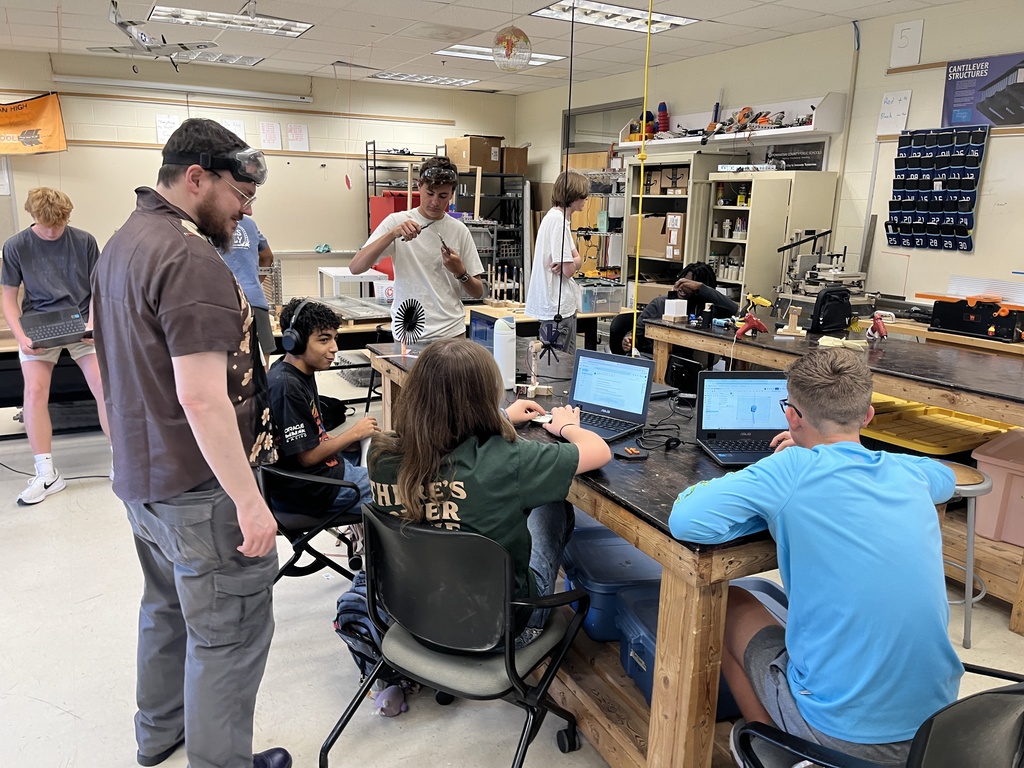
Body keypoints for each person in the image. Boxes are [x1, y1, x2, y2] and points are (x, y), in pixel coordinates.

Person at [91, 118, 291, 768]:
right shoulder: (190, 260)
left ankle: (159, 736)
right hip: (203, 494)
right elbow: (202, 396)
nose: (248, 209)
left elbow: (108, 359)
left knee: (166, 610)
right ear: (197, 178)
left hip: (145, 483)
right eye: (240, 194)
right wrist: (250, 502)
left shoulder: (122, 244)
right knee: (227, 637)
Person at [668, 347, 961, 766]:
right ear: (867, 417)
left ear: (792, 417)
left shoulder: (788, 470)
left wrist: (779, 477)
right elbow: (946, 479)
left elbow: (687, 520)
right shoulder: (908, 472)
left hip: (844, 736)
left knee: (727, 601)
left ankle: (775, 748)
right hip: (937, 726)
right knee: (775, 597)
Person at [367, 338, 611, 647]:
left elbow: (439, 433)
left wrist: (505, 416)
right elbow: (598, 450)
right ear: (484, 398)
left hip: (412, 616)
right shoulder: (507, 461)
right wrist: (565, 426)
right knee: (551, 502)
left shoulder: (380, 455)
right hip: (503, 631)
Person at [1, 187, 110, 505]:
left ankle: (123, 460)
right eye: (47, 226)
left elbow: (98, 288)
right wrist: (21, 335)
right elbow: (8, 297)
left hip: (82, 322)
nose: (53, 232)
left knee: (103, 384)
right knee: (33, 392)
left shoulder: (85, 241)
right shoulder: (16, 246)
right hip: (39, 325)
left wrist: (93, 323)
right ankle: (46, 473)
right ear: (33, 218)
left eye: (59, 226)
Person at [350, 156, 485, 341]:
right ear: (419, 185)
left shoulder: (459, 230)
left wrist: (460, 272)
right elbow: (356, 267)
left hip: (451, 334)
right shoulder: (396, 222)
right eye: (430, 193)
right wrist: (393, 234)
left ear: (452, 194)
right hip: (409, 334)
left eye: (443, 196)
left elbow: (478, 291)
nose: (435, 202)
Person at [267, 297, 377, 519]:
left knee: (387, 455)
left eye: (335, 339)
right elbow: (306, 458)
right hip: (312, 490)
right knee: (404, 487)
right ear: (294, 342)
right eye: (324, 340)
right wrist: (353, 433)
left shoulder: (298, 371)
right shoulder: (287, 387)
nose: (334, 348)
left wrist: (351, 441)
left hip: (319, 475)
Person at [611, 261, 737, 356]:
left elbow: (733, 309)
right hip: (653, 357)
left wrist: (701, 288)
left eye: (689, 285)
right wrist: (629, 339)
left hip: (687, 363)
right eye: (682, 282)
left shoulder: (707, 309)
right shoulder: (660, 304)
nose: (682, 288)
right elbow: (637, 334)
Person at [524, 169, 587, 358]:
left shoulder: (556, 219)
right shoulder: (558, 222)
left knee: (558, 364)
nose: (586, 199)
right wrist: (574, 262)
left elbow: (577, 261)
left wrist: (574, 262)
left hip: (554, 308)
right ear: (574, 195)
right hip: (557, 309)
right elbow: (569, 269)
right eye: (583, 195)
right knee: (559, 368)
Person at [221, 214, 276, 361]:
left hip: (224, 303)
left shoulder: (206, 224)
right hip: (255, 300)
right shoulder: (249, 224)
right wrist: (254, 282)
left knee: (227, 366)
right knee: (262, 366)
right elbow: (268, 257)